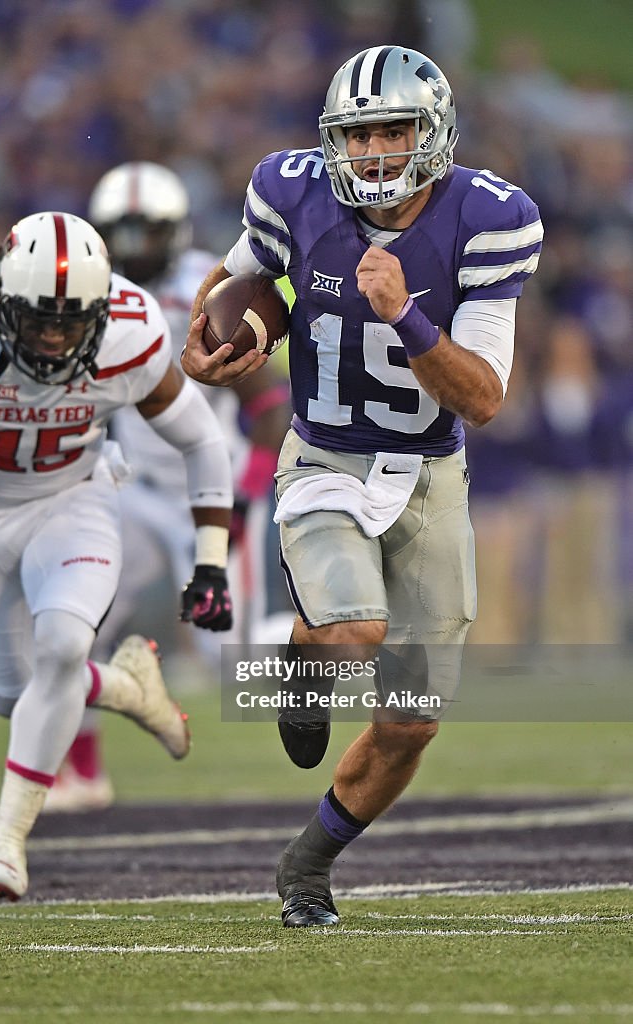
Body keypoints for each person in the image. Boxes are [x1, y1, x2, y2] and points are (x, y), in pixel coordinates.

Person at [182, 45, 543, 927]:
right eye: (360, 133)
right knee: (353, 631)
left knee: (412, 720)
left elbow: (485, 398)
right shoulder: (290, 187)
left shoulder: (493, 218)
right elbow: (238, 284)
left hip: (431, 474)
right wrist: (215, 344)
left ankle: (308, 866)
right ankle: (304, 672)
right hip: (326, 459)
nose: (376, 151)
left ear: (435, 131)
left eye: (393, 129)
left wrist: (405, 314)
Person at [0, 211, 235, 900]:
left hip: (77, 502)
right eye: (39, 318)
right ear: (3, 302)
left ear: (103, 312)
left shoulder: (131, 337)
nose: (53, 336)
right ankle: (127, 688)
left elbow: (202, 440)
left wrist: (212, 561)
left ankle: (6, 840)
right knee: (13, 697)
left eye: (71, 320)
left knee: (64, 646)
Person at [42, 162, 292, 813]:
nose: (130, 248)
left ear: (175, 233)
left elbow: (268, 409)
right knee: (77, 620)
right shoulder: (89, 298)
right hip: (134, 487)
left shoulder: (208, 292)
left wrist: (240, 501)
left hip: (213, 492)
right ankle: (83, 772)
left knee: (230, 662)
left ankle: (338, 642)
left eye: (143, 232)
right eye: (119, 233)